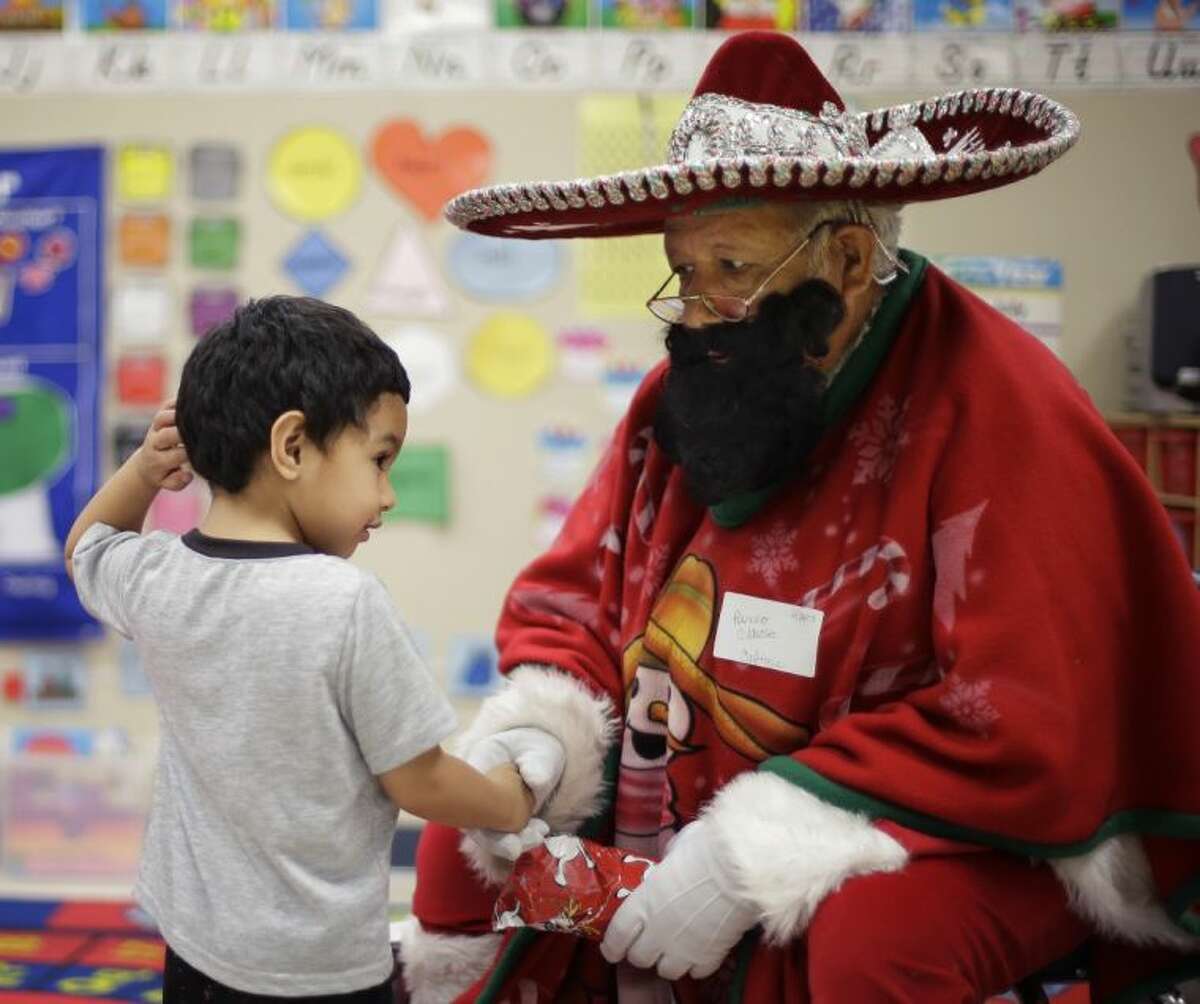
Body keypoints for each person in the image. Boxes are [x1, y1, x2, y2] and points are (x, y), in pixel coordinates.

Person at [397, 30, 1200, 1004]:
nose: (691, 311)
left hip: (968, 816)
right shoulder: (685, 391)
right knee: (458, 832)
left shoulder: (997, 406)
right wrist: (544, 735)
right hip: (686, 763)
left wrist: (744, 852)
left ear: (850, 258)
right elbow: (578, 597)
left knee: (878, 940)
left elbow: (1028, 713)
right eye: (682, 271)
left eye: (727, 266)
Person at [64, 296, 561, 1002]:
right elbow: (419, 779)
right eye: (380, 461)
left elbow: (87, 546)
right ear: (292, 447)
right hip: (316, 973)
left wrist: (146, 470)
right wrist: (510, 801)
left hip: (192, 950)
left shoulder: (159, 576)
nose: (387, 496)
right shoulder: (343, 601)